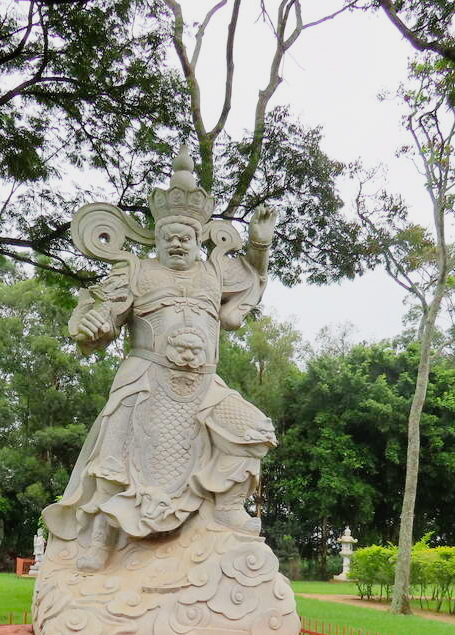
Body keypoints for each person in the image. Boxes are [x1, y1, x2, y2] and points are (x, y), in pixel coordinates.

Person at [42, 149, 278, 572]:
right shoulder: (136, 271)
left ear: (199, 237)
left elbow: (251, 276)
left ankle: (226, 506)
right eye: (167, 236)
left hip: (204, 384)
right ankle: (100, 538)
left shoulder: (214, 272)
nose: (176, 243)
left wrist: (260, 242)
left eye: (184, 237)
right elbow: (100, 319)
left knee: (254, 430)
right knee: (117, 463)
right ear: (156, 237)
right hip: (146, 380)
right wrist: (91, 326)